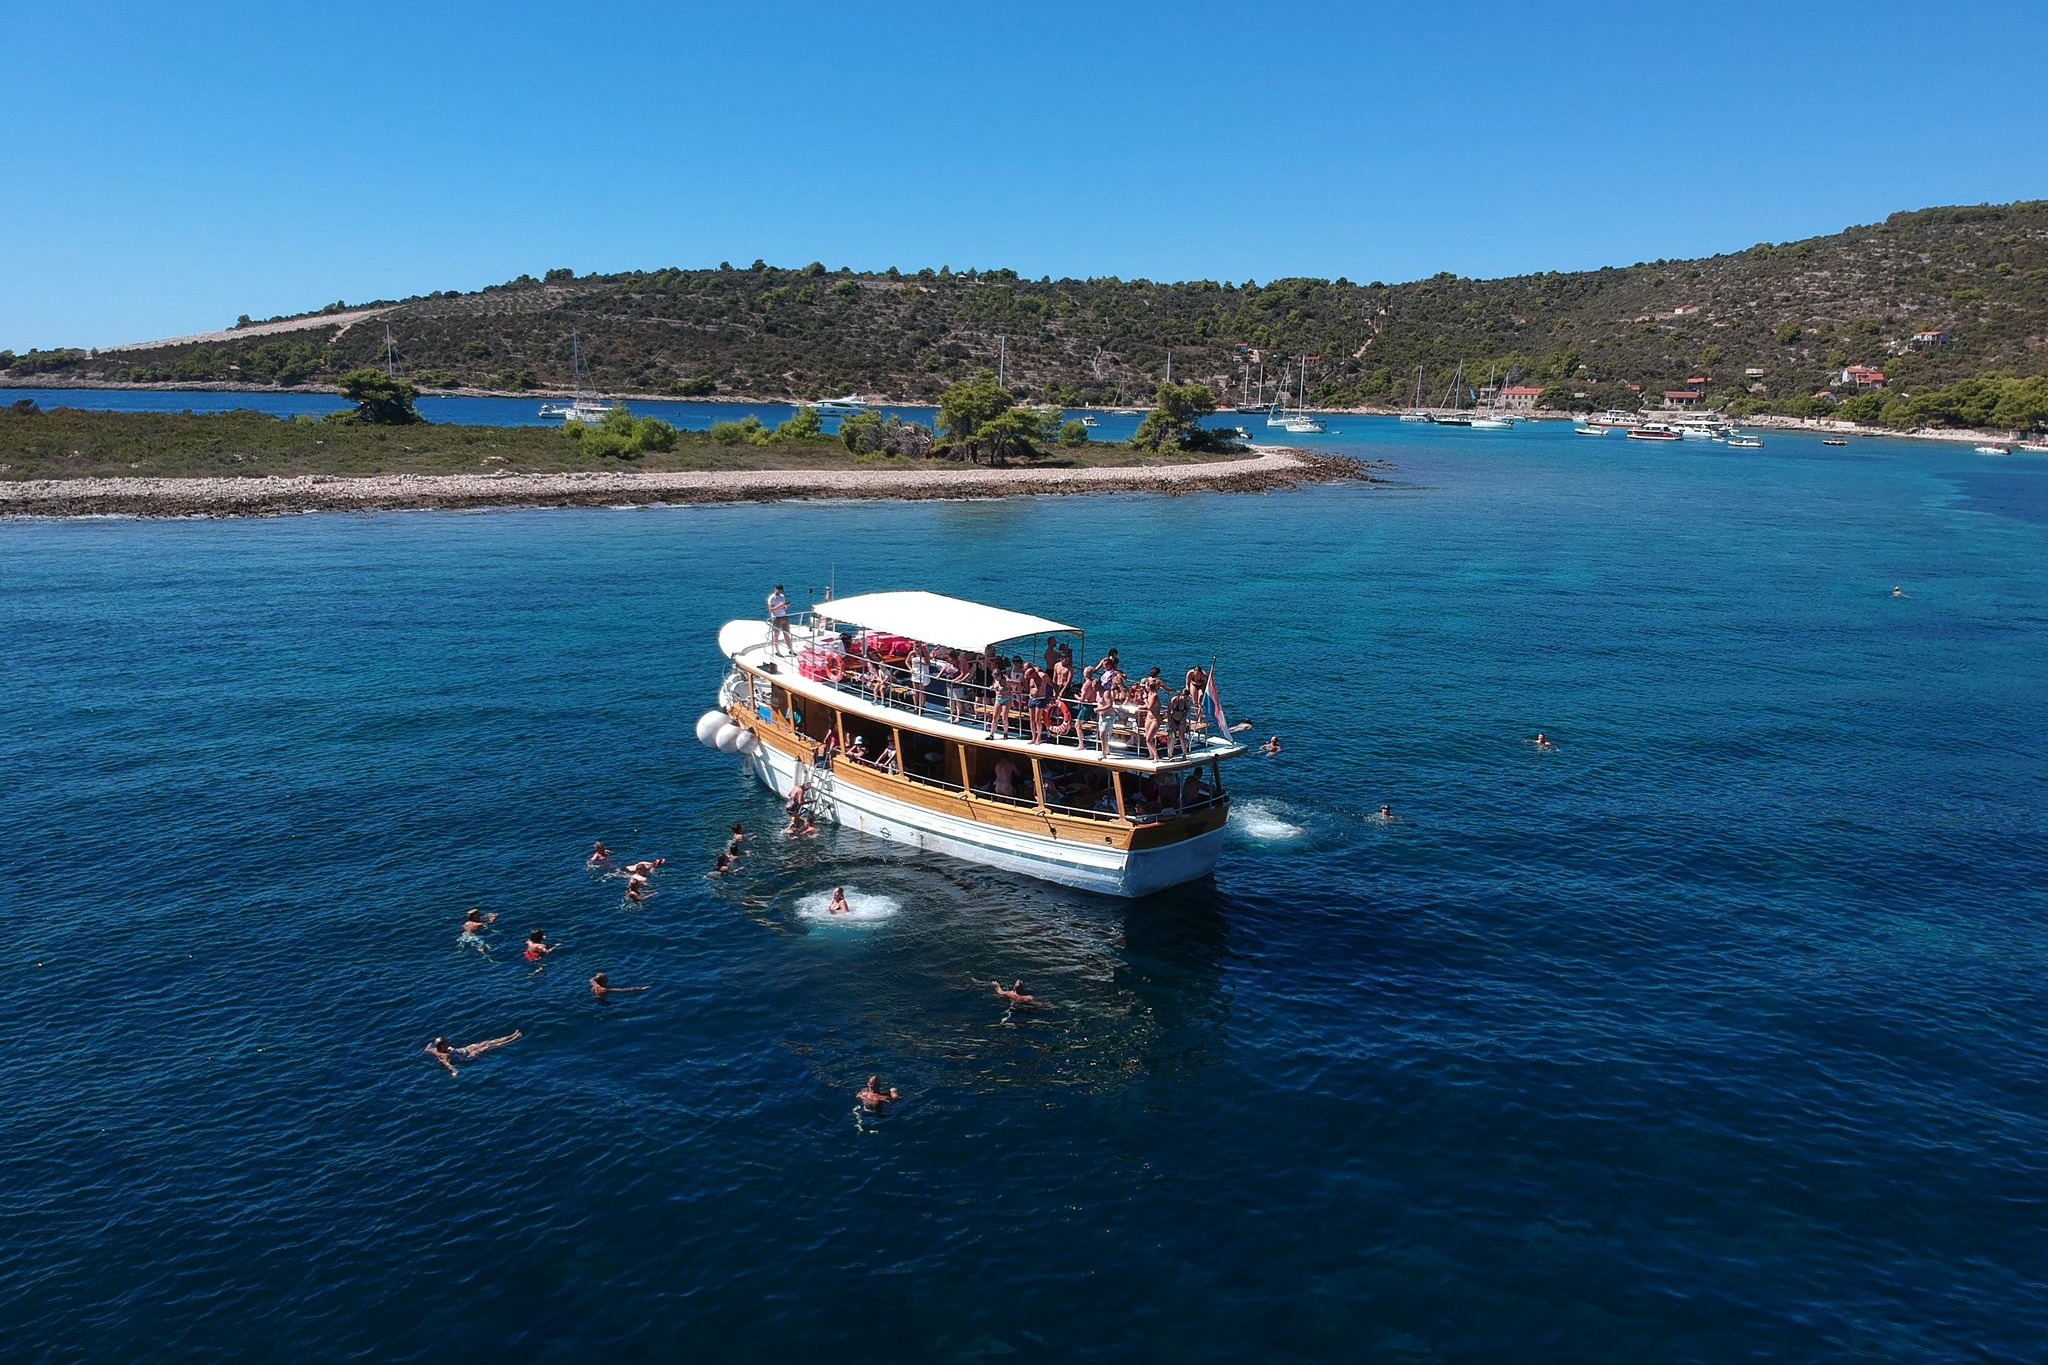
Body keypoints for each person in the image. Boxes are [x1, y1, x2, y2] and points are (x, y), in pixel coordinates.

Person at [425, 1030, 521, 1077]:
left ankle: (511, 1035)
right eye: (446, 1043)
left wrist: (428, 1046)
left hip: (466, 1049)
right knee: (487, 1047)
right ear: (442, 1046)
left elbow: (428, 1049)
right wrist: (454, 1071)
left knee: (486, 1042)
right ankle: (513, 1039)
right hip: (468, 1056)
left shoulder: (434, 1049)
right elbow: (447, 1064)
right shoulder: (443, 1055)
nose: (448, 1043)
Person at [767, 585, 792, 651]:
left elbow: (783, 607)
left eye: (781, 591)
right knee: (776, 634)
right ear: (776, 589)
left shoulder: (782, 596)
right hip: (776, 618)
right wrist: (780, 605)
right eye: (779, 590)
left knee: (786, 633)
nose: (780, 592)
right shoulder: (772, 598)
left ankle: (790, 649)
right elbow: (771, 609)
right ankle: (777, 650)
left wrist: (786, 606)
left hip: (784, 616)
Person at [908, 648, 931, 714]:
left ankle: (922, 706)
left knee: (923, 691)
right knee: (915, 690)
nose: (916, 649)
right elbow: (907, 661)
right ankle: (916, 706)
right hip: (915, 673)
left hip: (923, 673)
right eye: (915, 647)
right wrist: (910, 669)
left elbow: (929, 664)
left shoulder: (925, 653)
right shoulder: (912, 653)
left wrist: (920, 662)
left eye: (917, 647)